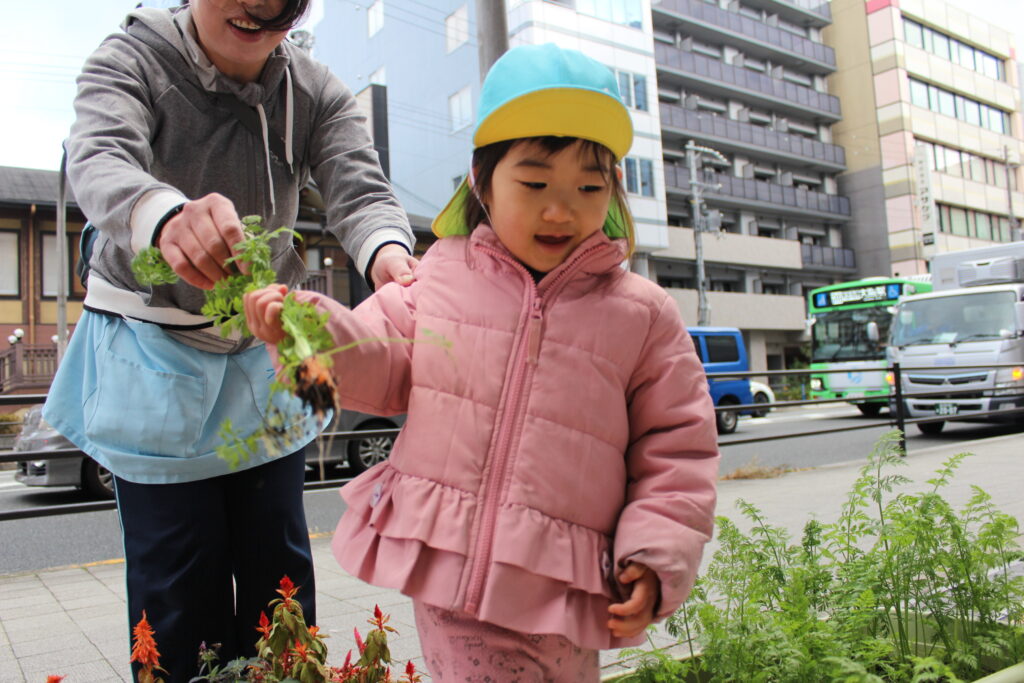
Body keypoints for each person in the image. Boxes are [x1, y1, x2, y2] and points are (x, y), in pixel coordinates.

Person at [245, 44, 719, 681]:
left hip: (565, 586)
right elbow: (372, 366)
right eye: (534, 183)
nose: (562, 208)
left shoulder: (642, 314)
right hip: (452, 575)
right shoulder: (438, 278)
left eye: (588, 185)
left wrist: (657, 556)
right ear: (482, 183)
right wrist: (303, 333)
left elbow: (678, 450)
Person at [42, 0, 417, 680]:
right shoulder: (131, 59)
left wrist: (389, 254)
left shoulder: (314, 91)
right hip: (151, 349)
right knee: (176, 595)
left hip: (264, 353)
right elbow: (100, 158)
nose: (257, 8)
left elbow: (360, 192)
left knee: (281, 586)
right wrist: (160, 215)